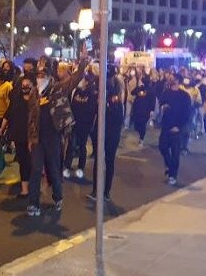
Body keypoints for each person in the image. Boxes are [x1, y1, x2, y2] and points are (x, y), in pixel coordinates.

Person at [26, 57, 88, 216]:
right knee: (35, 169)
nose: (40, 79)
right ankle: (33, 204)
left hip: (52, 136)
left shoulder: (57, 89)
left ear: (48, 77)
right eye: (38, 76)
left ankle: (58, 197)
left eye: (42, 76)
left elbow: (74, 80)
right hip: (38, 138)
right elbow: (31, 117)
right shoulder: (34, 93)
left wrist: (83, 62)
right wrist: (30, 139)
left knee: (53, 168)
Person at [86, 65, 124, 202]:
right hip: (99, 130)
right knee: (98, 160)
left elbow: (118, 115)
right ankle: (96, 190)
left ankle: (106, 191)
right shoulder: (97, 89)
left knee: (109, 160)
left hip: (112, 131)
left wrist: (107, 103)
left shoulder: (117, 94)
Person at [0, 73, 36, 198]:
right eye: (23, 84)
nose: (25, 87)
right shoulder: (17, 99)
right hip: (19, 135)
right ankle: (25, 189)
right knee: (23, 161)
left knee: (32, 161)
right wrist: (2, 128)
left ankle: (33, 184)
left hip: (33, 136)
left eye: (28, 84)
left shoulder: (37, 100)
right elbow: (8, 114)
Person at [158, 74, 191, 186]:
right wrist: (163, 107)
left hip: (177, 128)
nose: (171, 80)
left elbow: (187, 113)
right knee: (162, 147)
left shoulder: (184, 96)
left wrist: (179, 126)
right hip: (166, 125)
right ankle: (169, 165)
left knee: (175, 152)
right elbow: (161, 103)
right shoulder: (166, 92)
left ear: (178, 81)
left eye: (173, 79)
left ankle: (173, 175)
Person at [63, 74, 98, 179]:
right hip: (75, 123)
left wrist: (89, 124)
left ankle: (80, 167)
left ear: (87, 82)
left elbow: (92, 111)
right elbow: (72, 105)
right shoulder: (77, 91)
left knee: (82, 146)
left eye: (83, 79)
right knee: (71, 145)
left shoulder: (92, 94)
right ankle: (67, 166)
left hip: (84, 124)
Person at [131, 76, 156, 147]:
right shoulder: (140, 88)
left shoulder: (151, 90)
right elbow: (132, 92)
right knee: (137, 125)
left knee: (142, 125)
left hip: (146, 110)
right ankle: (140, 135)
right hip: (138, 109)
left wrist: (152, 110)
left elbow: (153, 100)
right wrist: (139, 91)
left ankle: (141, 139)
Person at [180, 77, 202, 151]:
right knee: (180, 128)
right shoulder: (180, 88)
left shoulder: (195, 90)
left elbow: (199, 101)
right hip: (180, 111)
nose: (186, 86)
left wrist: (194, 102)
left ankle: (185, 146)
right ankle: (179, 145)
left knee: (187, 129)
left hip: (190, 111)